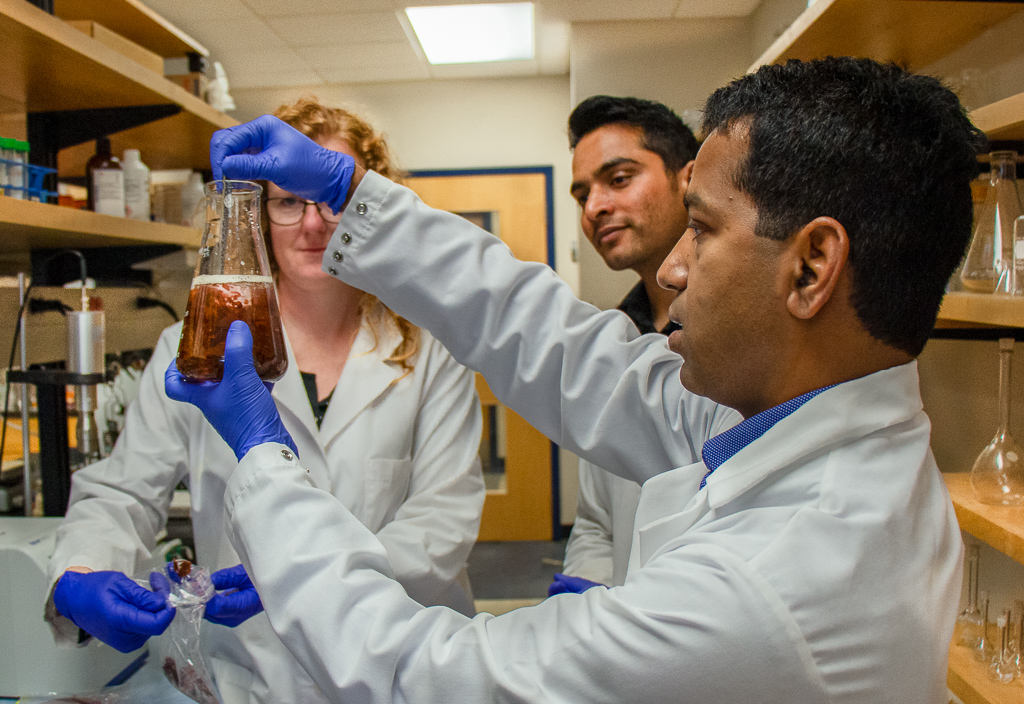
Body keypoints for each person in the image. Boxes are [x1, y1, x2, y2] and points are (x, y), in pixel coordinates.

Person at [169, 57, 984, 702]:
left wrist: (263, 460)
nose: (672, 265)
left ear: (811, 267)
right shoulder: (824, 424)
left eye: (699, 228)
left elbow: (426, 675)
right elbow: (569, 355)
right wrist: (357, 199)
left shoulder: (765, 590)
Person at [46, 98, 486, 704]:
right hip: (249, 675)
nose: (312, 223)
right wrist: (83, 572)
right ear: (255, 212)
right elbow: (123, 491)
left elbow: (443, 522)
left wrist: (303, 574)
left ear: (366, 204)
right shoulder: (191, 347)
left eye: (331, 197)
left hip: (401, 669)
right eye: (287, 201)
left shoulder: (429, 348)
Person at [553, 95, 739, 594]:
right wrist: (582, 594)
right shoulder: (618, 332)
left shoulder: (745, 336)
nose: (595, 207)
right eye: (582, 195)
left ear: (689, 177)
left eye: (618, 179)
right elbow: (596, 519)